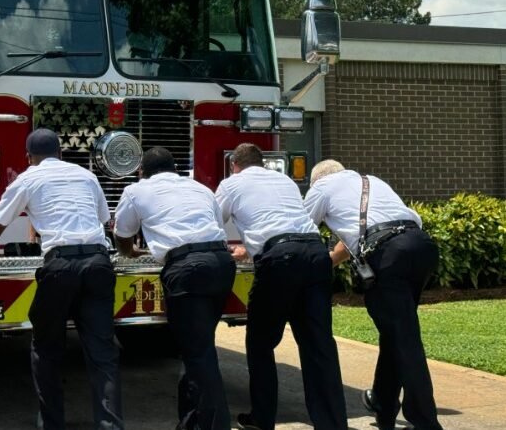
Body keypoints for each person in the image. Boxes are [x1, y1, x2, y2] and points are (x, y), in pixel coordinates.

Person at [0, 128, 123, 430]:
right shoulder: (86, 176)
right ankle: (111, 426)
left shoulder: (28, 178)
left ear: (29, 157)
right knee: (103, 354)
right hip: (98, 262)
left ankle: (52, 424)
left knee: (47, 348)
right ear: (61, 153)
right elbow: (106, 221)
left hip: (60, 266)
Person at [215, 143, 347, 430]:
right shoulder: (284, 180)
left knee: (260, 342)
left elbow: (214, 225)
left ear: (234, 165)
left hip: (279, 261)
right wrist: (250, 249)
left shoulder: (231, 183)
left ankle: (262, 419)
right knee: (319, 345)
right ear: (261, 163)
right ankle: (332, 423)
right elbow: (283, 223)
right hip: (314, 255)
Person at [305, 159, 442, 430]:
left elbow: (299, 228)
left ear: (316, 180)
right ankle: (383, 402)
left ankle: (425, 421)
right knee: (396, 333)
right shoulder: (370, 181)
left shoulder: (321, 188)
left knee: (405, 339)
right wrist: (331, 260)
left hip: (389, 255)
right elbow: (355, 239)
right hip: (421, 247)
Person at [114, 146, 234, 430]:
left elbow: (122, 232)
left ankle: (214, 425)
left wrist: (128, 252)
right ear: (175, 167)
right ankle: (192, 421)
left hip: (186, 269)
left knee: (198, 354)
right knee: (200, 347)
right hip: (221, 263)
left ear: (142, 171)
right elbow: (215, 225)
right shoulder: (201, 189)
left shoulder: (136, 190)